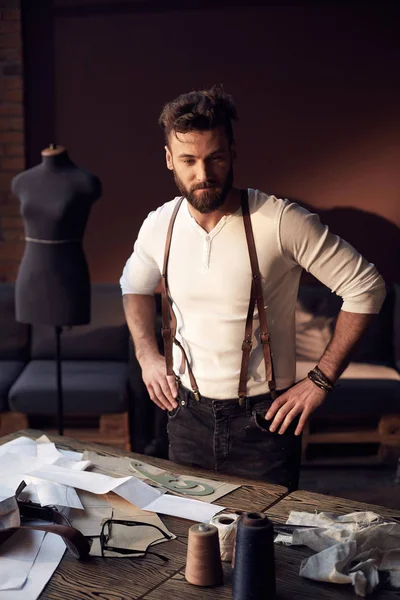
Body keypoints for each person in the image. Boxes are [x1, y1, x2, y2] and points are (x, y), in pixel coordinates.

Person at [120, 87, 385, 490]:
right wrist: (146, 355)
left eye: (215, 158)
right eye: (189, 161)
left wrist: (321, 380)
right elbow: (133, 286)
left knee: (266, 546)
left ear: (233, 153)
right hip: (185, 418)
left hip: (264, 425)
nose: (203, 175)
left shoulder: (278, 220)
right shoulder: (161, 224)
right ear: (169, 159)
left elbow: (366, 287)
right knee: (193, 539)